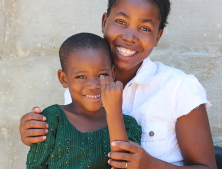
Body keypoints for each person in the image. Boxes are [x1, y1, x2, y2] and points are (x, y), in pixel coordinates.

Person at [20, 0, 217, 169]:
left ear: (158, 36)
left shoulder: (179, 89)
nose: (130, 36)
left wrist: (151, 165)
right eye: (121, 21)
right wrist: (37, 131)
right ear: (104, 22)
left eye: (145, 28)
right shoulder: (85, 83)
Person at [26, 33, 142, 168]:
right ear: (63, 78)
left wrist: (114, 112)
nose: (93, 85)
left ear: (113, 74)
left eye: (102, 75)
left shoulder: (128, 125)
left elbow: (125, 165)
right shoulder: (53, 119)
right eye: (81, 76)